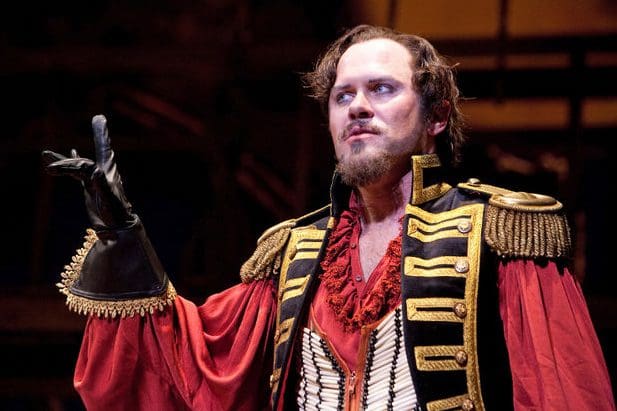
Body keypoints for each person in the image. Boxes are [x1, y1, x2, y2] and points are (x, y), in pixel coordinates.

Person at [42, 24, 614, 411]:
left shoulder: (500, 236)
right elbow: (191, 368)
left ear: (436, 116)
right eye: (343, 96)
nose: (357, 106)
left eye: (381, 89)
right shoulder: (293, 253)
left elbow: (565, 392)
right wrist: (121, 238)